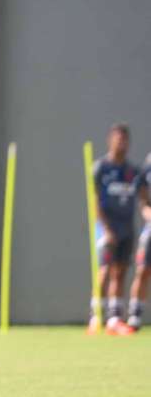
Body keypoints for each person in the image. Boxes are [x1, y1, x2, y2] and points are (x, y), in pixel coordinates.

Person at [88, 123, 138, 336]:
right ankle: (95, 316)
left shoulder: (131, 171)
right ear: (110, 140)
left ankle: (114, 318)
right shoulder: (101, 168)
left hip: (126, 227)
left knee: (121, 271)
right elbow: (94, 201)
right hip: (105, 228)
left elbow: (140, 197)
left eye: (125, 139)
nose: (121, 143)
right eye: (118, 139)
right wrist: (105, 228)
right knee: (105, 270)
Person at [126, 152, 151, 332]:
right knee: (142, 270)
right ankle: (134, 316)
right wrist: (147, 212)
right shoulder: (147, 168)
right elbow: (143, 198)